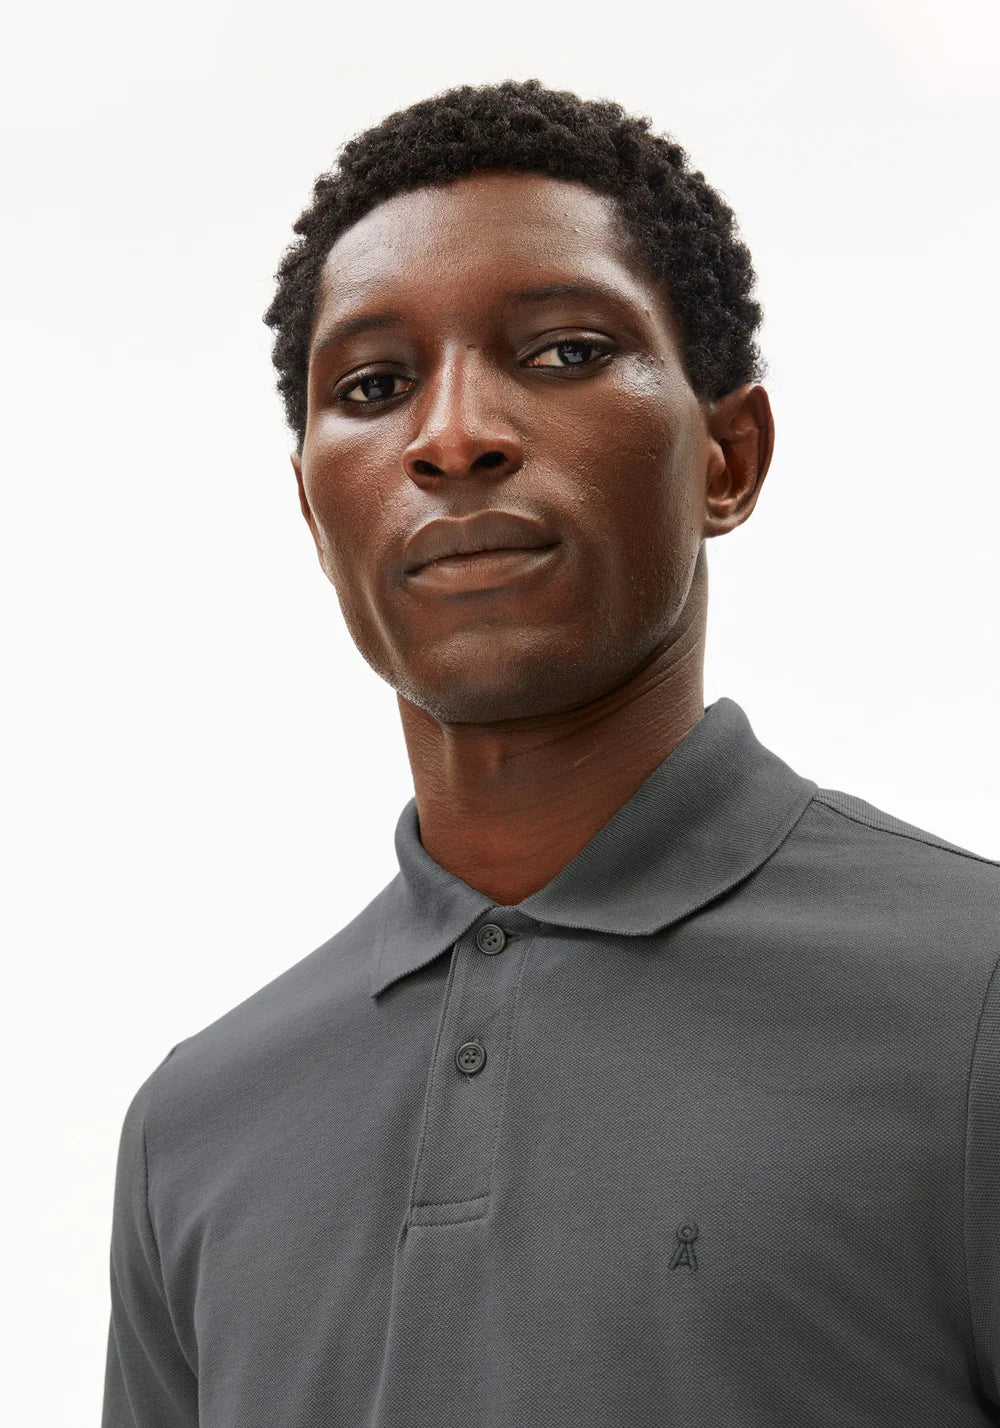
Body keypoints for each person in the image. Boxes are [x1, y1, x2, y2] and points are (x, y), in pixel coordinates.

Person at [101, 79, 1000, 1428]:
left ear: (728, 457)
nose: (451, 436)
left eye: (567, 351)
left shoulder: (976, 999)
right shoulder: (193, 1128)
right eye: (374, 386)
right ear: (314, 511)